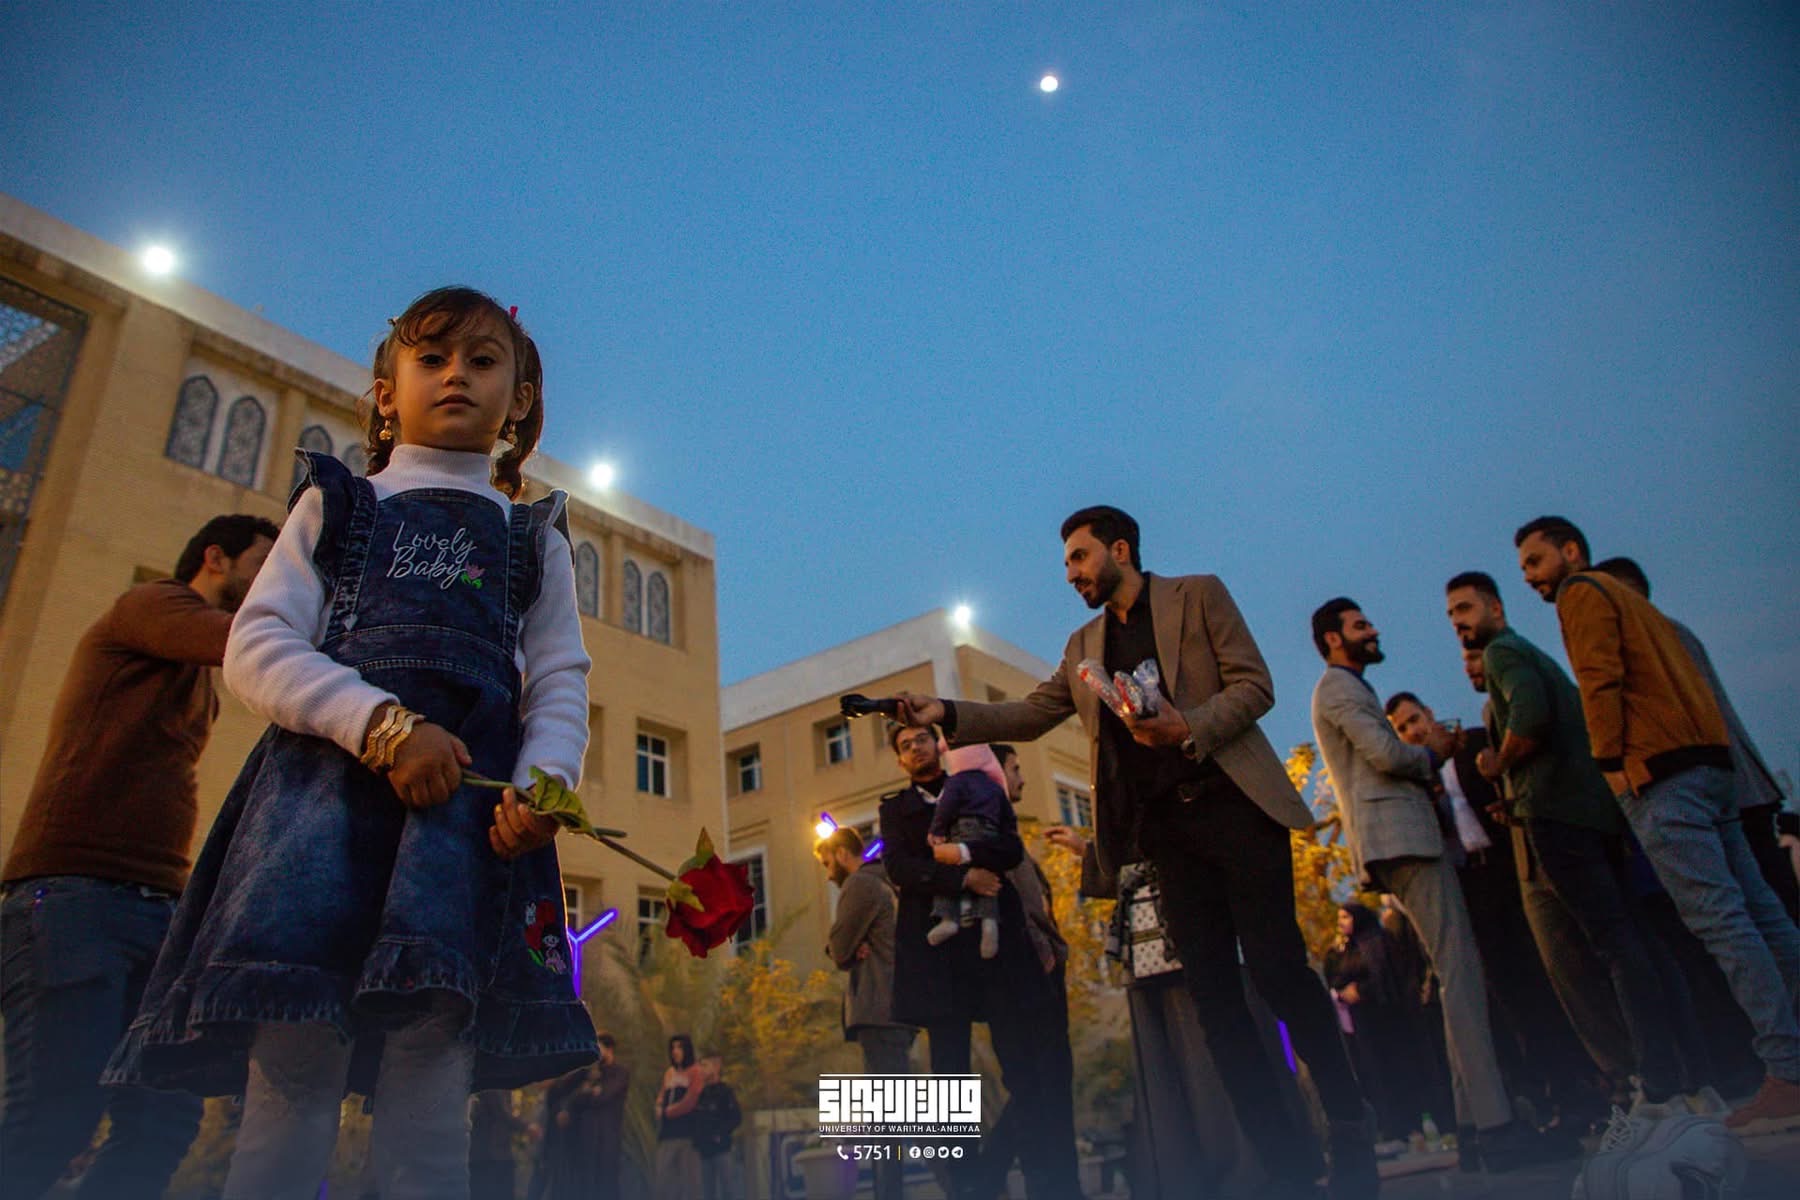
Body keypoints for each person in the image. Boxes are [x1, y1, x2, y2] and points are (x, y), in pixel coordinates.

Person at [100, 287, 597, 1200]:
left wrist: (544, 786)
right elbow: (257, 648)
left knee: (431, 1079)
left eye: (483, 361)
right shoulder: (337, 504)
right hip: (318, 822)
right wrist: (383, 726)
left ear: (519, 399)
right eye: (431, 358)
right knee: (291, 1077)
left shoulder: (535, 541)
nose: (456, 375)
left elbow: (560, 680)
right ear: (385, 393)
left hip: (466, 835)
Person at [895, 507, 1375, 1200]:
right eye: (1066, 563)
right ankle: (1287, 1169)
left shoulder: (1198, 596)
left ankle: (1350, 1132)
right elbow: (1030, 714)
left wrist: (1188, 726)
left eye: (1080, 557)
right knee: (1215, 1006)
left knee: (1279, 975)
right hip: (1167, 838)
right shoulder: (1083, 646)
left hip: (1238, 811)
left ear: (1120, 549)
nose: (1071, 573)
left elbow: (1254, 685)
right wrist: (944, 712)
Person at [0, 511, 277, 1200]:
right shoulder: (150, 605)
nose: (271, 582)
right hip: (74, 898)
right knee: (56, 1109)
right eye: (262, 565)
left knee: (161, 1120)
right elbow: (244, 641)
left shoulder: (198, 676)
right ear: (215, 557)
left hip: (157, 913)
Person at [1515, 515, 1800, 1132]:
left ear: (1570, 551)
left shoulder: (1581, 593)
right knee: (1763, 914)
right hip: (1709, 766)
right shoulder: (1639, 605)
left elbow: (1600, 682)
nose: (1530, 578)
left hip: (1663, 777)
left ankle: (1787, 1070)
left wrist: (1612, 768)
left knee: (1723, 923)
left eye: (1535, 561)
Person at [1443, 569, 1718, 1116]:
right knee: (1640, 942)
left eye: (1466, 609)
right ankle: (1691, 1075)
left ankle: (1657, 1085)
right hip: (1589, 813)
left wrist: (1498, 762)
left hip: (1558, 819)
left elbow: (1531, 717)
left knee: (1615, 948)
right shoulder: (1527, 652)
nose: (1459, 623)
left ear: (1496, 608)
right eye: (1452, 615)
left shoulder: (1502, 652)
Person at [1309, 597, 1551, 1170]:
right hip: (1404, 842)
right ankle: (1495, 1125)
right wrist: (1433, 753)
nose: (1373, 630)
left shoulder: (1348, 688)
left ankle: (1472, 1126)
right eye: (1360, 625)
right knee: (1461, 974)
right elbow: (1386, 754)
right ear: (1333, 639)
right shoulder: (1338, 689)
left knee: (1452, 976)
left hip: (1403, 842)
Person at [877, 724, 1079, 1200]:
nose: (915, 748)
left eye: (921, 739)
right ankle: (968, 1184)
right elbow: (900, 868)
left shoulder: (980, 788)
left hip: (995, 951)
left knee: (1022, 1068)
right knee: (949, 1077)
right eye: (905, 745)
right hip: (936, 956)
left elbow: (1009, 847)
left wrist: (967, 854)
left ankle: (1038, 1181)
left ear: (938, 744)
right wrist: (962, 878)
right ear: (899, 759)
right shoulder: (895, 809)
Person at [1384, 687, 1600, 1129]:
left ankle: (1596, 1075)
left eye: (1414, 719)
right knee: (1511, 992)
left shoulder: (1476, 745)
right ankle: (1559, 1089)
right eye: (1402, 729)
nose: (1413, 731)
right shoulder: (1417, 782)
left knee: (1552, 970)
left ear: (1429, 712)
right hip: (1471, 888)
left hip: (1508, 868)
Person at [1590, 555, 1799, 923]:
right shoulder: (1672, 634)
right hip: (1739, 786)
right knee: (1767, 901)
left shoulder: (1657, 638)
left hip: (1727, 790)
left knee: (1761, 905)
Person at [982, 745, 1080, 1193]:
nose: (1021, 778)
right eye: (1014, 770)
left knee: (1041, 1086)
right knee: (1040, 1086)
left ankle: (998, 1176)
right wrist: (1048, 955)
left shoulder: (1006, 835)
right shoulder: (991, 839)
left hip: (1037, 973)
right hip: (1026, 980)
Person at [817, 826, 913, 1200]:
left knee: (889, 1123)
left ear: (843, 853)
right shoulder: (887, 885)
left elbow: (840, 946)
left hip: (879, 1012)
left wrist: (841, 948)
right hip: (896, 1011)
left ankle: (969, 1184)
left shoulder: (860, 885)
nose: (828, 874)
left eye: (828, 863)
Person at [926, 743, 1015, 958]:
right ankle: (989, 921)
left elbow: (946, 807)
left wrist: (936, 830)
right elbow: (1009, 819)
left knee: (949, 867)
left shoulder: (957, 781)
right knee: (988, 878)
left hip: (963, 828)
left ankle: (949, 918)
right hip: (990, 834)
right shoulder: (994, 786)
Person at [538, 1034, 631, 1200]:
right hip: (586, 1137)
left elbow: (603, 1096)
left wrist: (587, 1093)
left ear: (609, 1049)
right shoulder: (589, 1073)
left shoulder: (619, 1072)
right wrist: (586, 1092)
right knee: (586, 1183)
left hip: (607, 1137)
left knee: (606, 1182)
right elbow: (571, 1095)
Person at [655, 1035, 702, 1200]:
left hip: (686, 1133)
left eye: (679, 1047)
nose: (675, 1051)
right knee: (663, 1178)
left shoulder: (695, 1071)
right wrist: (659, 1106)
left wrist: (668, 1112)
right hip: (668, 1133)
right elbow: (662, 1094)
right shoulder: (670, 1073)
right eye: (673, 1048)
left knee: (689, 1181)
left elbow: (691, 1100)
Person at [692, 1055, 742, 1200]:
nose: (701, 1069)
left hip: (721, 1148)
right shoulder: (700, 1094)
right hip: (704, 1150)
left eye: (705, 1065)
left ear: (716, 1068)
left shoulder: (725, 1092)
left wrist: (721, 1133)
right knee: (707, 1191)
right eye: (700, 1065)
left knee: (728, 1188)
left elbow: (736, 1117)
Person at [470, 1090, 526, 1200]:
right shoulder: (494, 1087)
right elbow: (503, 1113)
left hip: (488, 1155)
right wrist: (527, 1127)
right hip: (492, 1156)